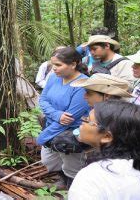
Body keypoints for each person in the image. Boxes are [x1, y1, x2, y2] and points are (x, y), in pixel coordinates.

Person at [37, 47, 90, 188]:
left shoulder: (83, 84)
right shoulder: (54, 77)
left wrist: (43, 137)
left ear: (73, 64)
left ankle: (75, 188)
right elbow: (42, 100)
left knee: (72, 165)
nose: (54, 68)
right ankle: (62, 180)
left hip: (71, 133)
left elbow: (70, 119)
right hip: (52, 125)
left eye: (58, 65)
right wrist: (57, 114)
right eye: (53, 64)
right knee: (49, 161)